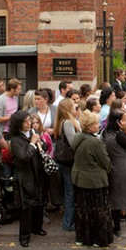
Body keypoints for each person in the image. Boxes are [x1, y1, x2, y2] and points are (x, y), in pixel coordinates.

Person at [72, 110, 114, 246]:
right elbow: (105, 162)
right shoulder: (94, 142)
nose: (98, 125)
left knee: (83, 211)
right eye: (96, 123)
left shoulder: (77, 138)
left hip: (80, 179)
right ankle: (99, 239)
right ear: (89, 127)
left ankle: (83, 238)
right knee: (99, 211)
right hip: (95, 182)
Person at [7, 111, 47, 247]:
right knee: (27, 206)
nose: (29, 123)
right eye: (26, 121)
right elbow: (23, 157)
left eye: (29, 120)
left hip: (37, 173)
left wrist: (40, 143)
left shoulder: (33, 134)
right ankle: (24, 236)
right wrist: (32, 143)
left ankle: (37, 227)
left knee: (39, 202)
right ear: (19, 125)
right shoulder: (15, 140)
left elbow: (44, 149)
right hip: (25, 176)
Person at [52, 98, 79, 232]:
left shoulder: (61, 122)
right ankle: (68, 223)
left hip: (62, 162)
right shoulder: (68, 123)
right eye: (74, 105)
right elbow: (74, 142)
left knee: (68, 192)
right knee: (70, 193)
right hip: (68, 163)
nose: (76, 107)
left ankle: (69, 221)